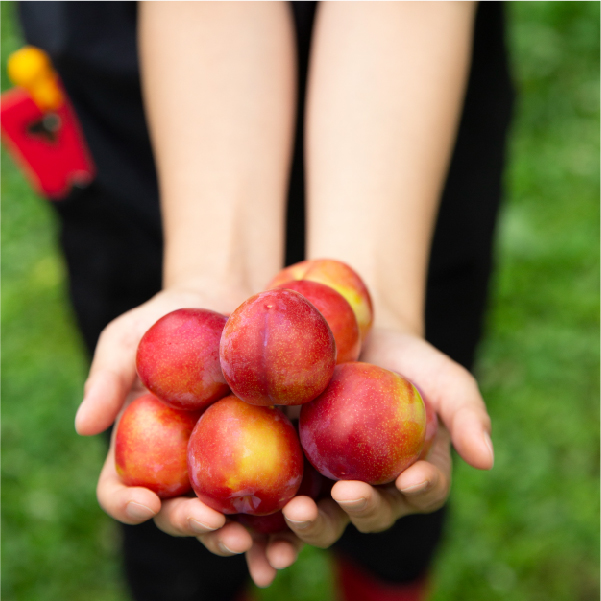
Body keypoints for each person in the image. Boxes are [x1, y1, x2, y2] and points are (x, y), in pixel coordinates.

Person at [19, 2, 513, 600]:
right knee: (183, 538)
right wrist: (212, 269)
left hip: (401, 96)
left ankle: (385, 575)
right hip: (169, 87)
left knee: (387, 492)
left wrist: (383, 296)